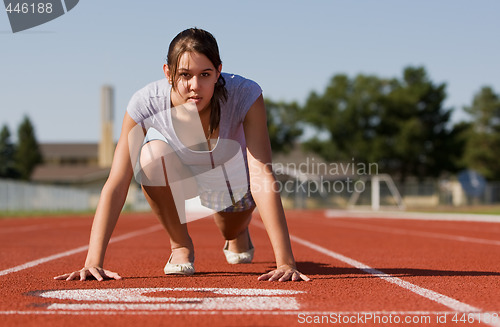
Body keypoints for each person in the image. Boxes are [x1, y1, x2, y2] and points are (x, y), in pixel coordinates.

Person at [54, 28, 309, 282]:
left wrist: (285, 261)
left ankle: (236, 234)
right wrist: (93, 262)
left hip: (233, 182)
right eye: (185, 75)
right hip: (184, 179)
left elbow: (261, 172)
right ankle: (180, 246)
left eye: (205, 75)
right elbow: (118, 182)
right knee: (151, 156)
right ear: (168, 72)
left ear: (219, 71)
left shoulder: (245, 94)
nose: (195, 87)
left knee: (230, 228)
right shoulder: (146, 103)